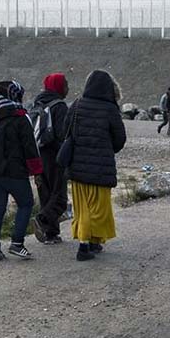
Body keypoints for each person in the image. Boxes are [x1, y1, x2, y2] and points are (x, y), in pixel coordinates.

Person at [63, 70, 127, 261]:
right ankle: (85, 246)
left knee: (82, 208)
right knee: (99, 209)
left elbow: (65, 129)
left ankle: (89, 241)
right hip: (101, 169)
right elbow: (120, 139)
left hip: (77, 168)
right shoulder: (110, 109)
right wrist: (106, 149)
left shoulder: (77, 104)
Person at [0, 80, 43, 262]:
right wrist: (37, 172)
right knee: (26, 203)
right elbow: (30, 147)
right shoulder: (20, 116)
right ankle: (17, 243)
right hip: (13, 171)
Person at [31, 73, 70, 244]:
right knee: (59, 197)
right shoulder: (59, 106)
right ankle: (42, 220)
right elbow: (62, 135)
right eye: (65, 84)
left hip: (38, 155)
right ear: (59, 87)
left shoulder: (38, 104)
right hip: (54, 156)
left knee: (46, 194)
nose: (68, 88)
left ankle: (50, 234)